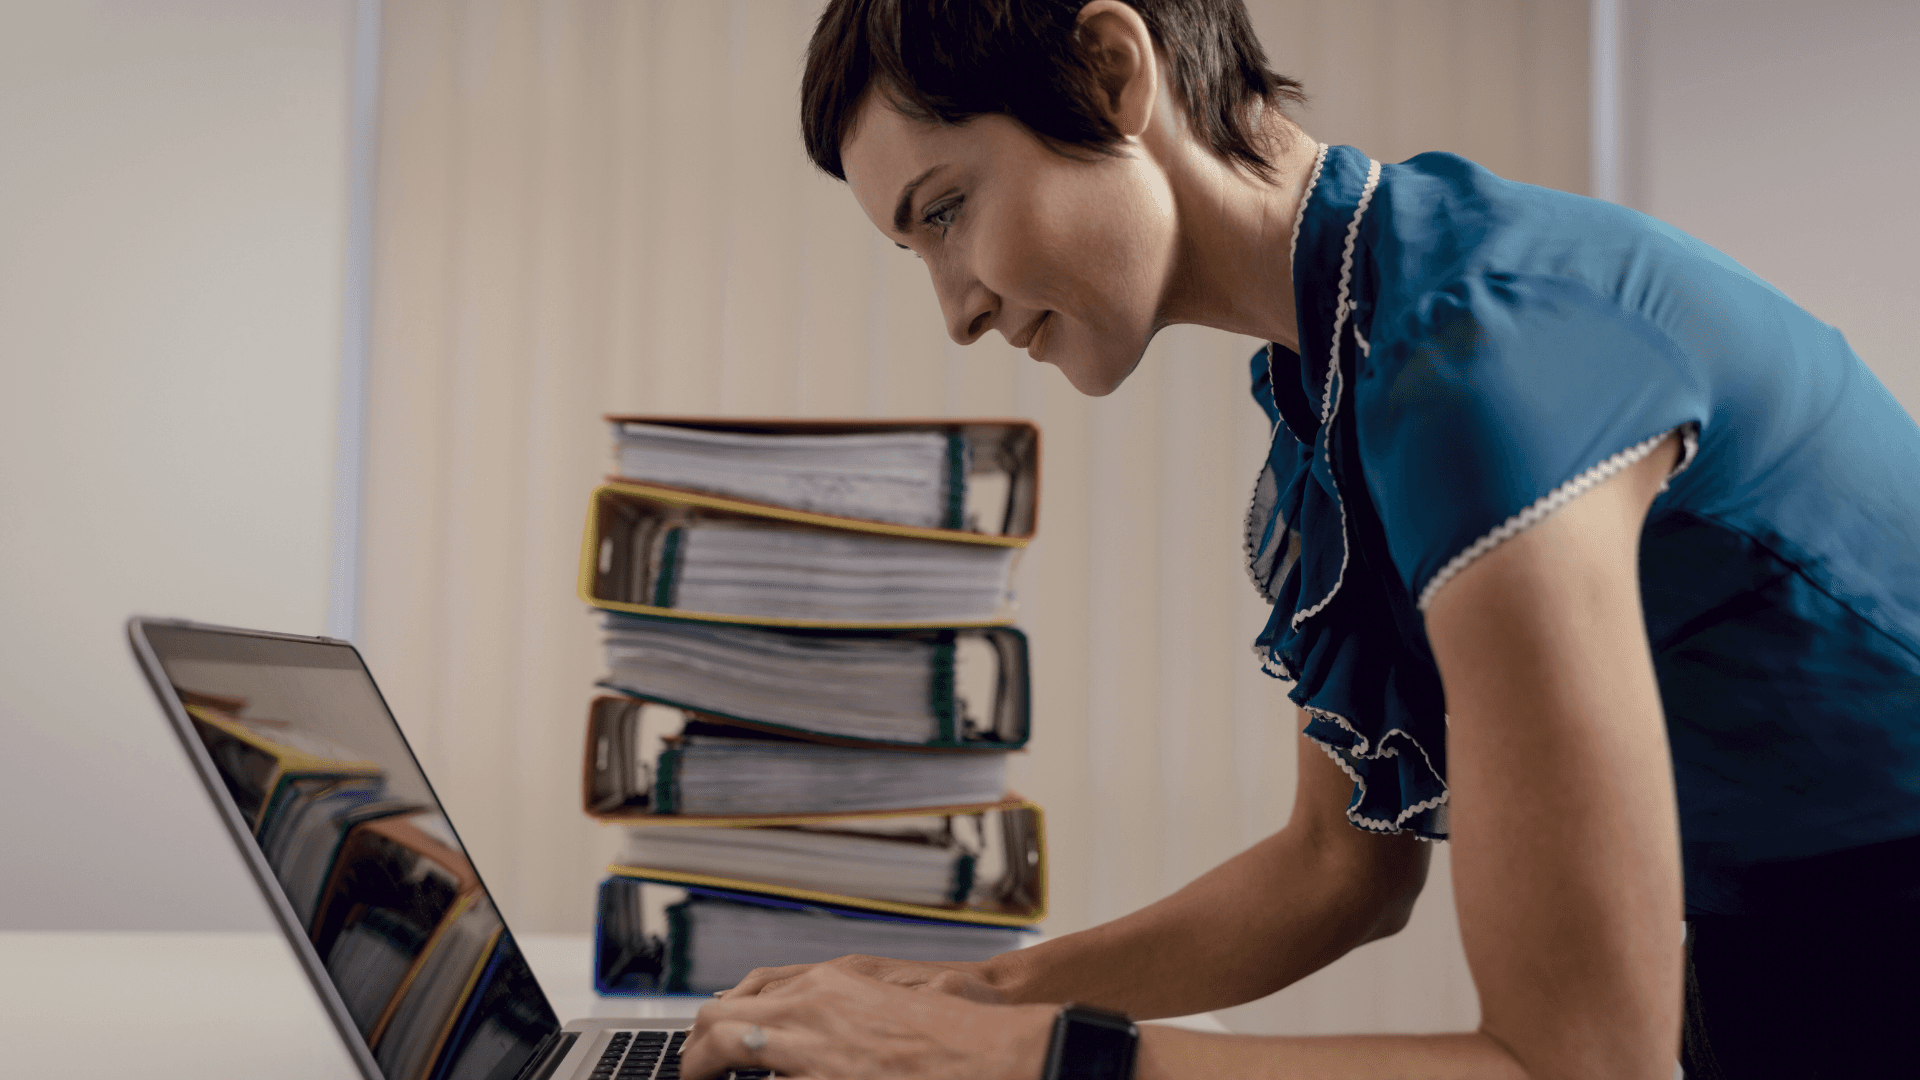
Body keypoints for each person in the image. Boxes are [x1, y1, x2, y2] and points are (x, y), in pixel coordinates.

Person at [681, 2, 1920, 1077]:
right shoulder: (1339, 371)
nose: (953, 310)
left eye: (946, 209)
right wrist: (967, 997)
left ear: (1116, 77)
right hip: (1780, 951)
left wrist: (1033, 1059)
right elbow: (1339, 867)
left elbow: (1584, 1063)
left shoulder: (1473, 361)